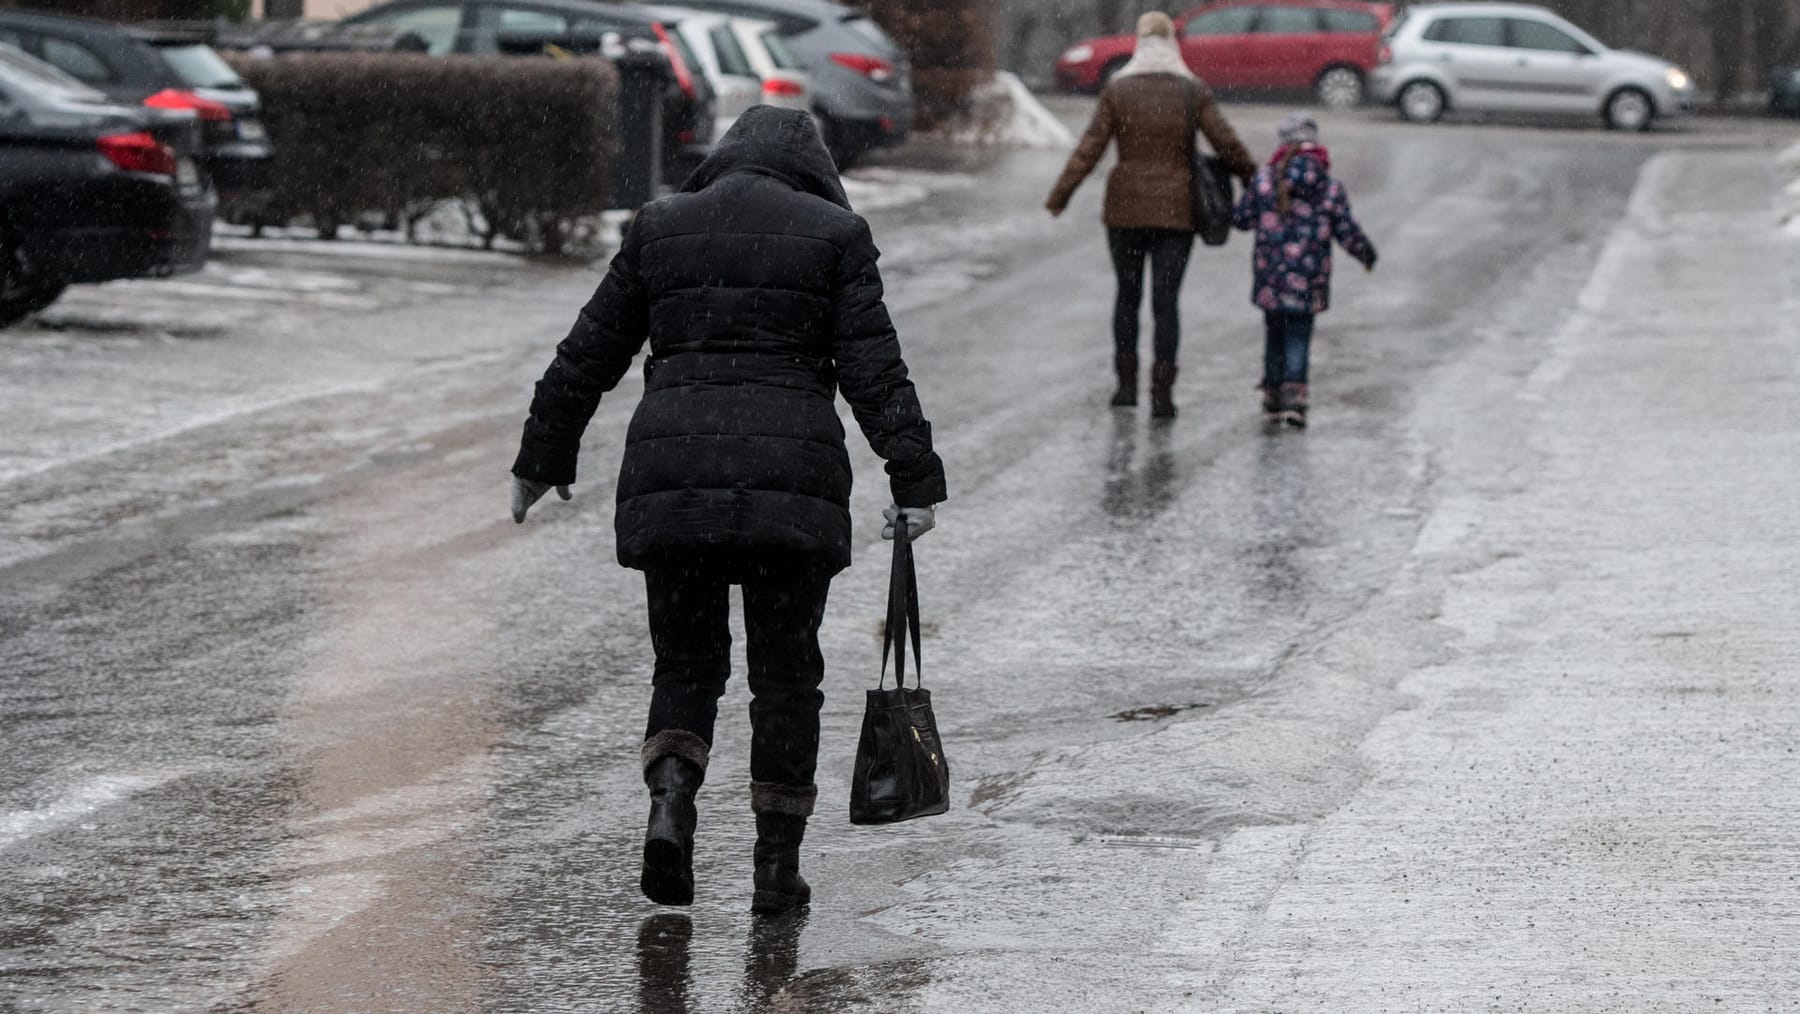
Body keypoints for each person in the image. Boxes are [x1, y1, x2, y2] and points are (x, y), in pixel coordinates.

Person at [508, 107, 947, 914]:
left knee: (686, 664)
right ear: (812, 170)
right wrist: (914, 479)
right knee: (786, 678)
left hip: (676, 481)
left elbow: (588, 350)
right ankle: (776, 870)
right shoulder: (835, 236)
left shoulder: (662, 226)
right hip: (792, 485)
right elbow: (875, 372)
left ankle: (672, 801)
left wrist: (542, 457)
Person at [1045, 11, 1257, 419]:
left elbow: (1090, 147)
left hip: (1124, 211)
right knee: (1166, 302)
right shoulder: (1191, 90)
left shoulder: (1118, 89)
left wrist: (1061, 195)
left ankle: (1125, 388)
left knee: (1127, 298)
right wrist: (1256, 183)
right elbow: (1227, 143)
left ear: (1141, 42)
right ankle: (1162, 393)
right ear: (1172, 43)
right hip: (1176, 215)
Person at [1230, 112, 1377, 427]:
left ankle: (1272, 392)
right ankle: (1294, 398)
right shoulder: (1329, 186)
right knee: (1299, 334)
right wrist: (1365, 252)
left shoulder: (1265, 180)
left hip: (1270, 277)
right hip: (1309, 278)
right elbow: (1345, 228)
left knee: (1275, 332)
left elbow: (1241, 219)